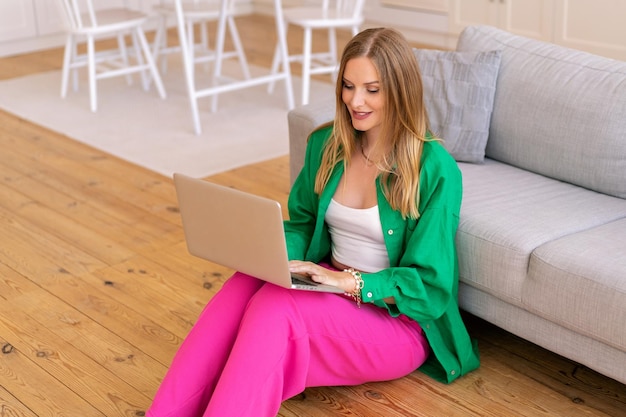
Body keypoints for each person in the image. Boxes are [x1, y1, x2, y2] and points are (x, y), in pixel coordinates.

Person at [147, 27, 479, 417]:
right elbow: (303, 224)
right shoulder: (327, 144)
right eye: (349, 86)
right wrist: (270, 257)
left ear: (400, 91)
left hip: (398, 320)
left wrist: (349, 282)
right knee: (244, 285)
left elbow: (430, 289)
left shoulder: (435, 169)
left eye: (372, 89)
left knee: (276, 310)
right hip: (329, 284)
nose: (356, 101)